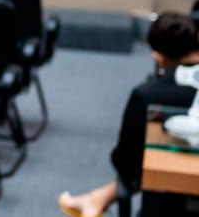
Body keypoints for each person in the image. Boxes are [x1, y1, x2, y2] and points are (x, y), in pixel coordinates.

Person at [58, 12, 199, 217]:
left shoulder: (147, 94)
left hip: (168, 204)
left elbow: (126, 164)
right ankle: (97, 198)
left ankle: (97, 199)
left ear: (157, 55)